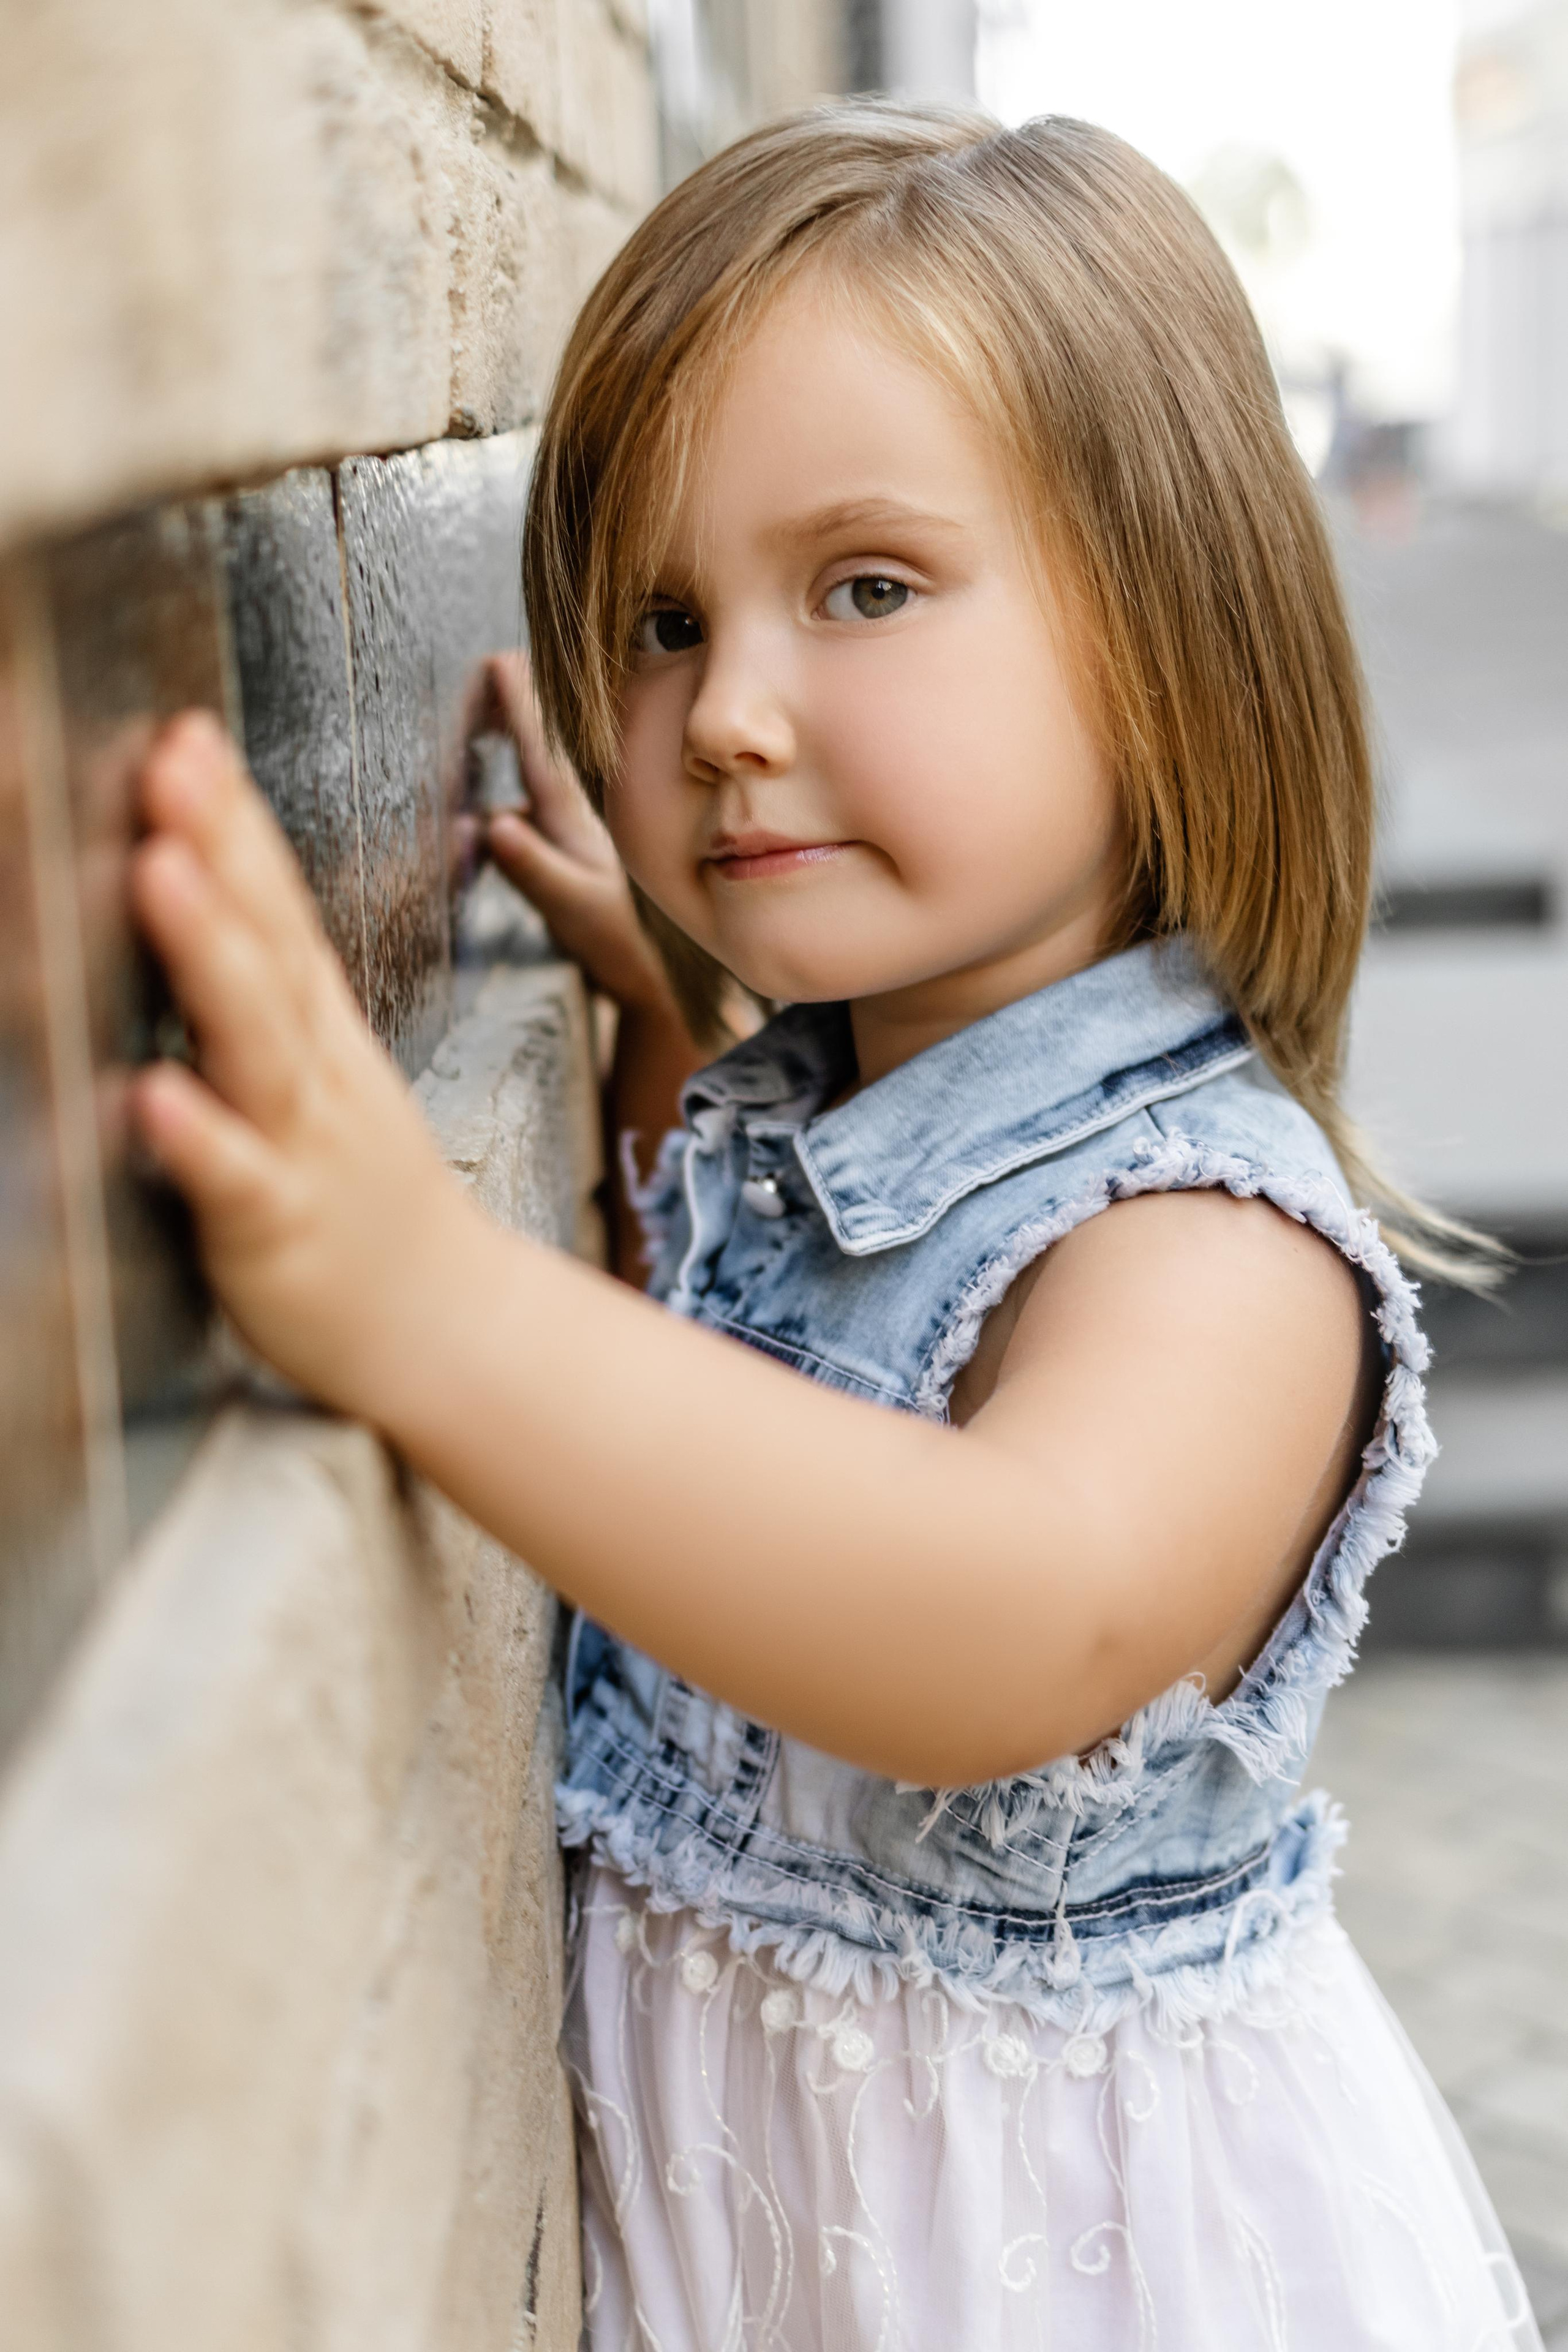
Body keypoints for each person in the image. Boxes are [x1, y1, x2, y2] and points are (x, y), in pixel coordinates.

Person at [129, 105, 1538, 2351]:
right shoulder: (832, 1111)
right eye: (666, 623)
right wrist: (663, 1046)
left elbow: (1008, 1616)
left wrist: (417, 1295)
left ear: (1169, 628)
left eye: (864, 588)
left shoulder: (1209, 1245)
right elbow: (784, 1359)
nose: (732, 719)